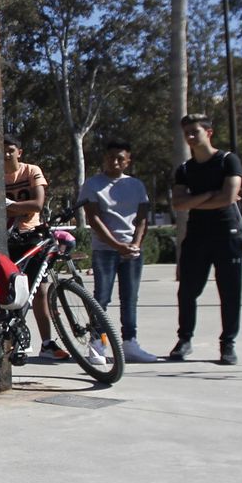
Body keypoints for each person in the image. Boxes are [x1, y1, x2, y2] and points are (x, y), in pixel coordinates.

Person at [170, 114, 242, 365]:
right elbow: (178, 203)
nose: (190, 137)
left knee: (230, 292)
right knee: (187, 291)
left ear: (208, 132)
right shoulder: (185, 169)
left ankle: (228, 344)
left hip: (227, 235)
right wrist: (212, 194)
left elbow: (229, 197)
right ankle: (184, 340)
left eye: (195, 132)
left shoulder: (227, 160)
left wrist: (198, 199)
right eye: (187, 133)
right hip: (196, 236)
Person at [78, 140, 159, 364]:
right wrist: (116, 245)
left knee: (130, 298)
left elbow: (142, 217)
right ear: (104, 159)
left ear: (128, 161)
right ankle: (97, 344)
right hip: (105, 250)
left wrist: (135, 243)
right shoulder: (93, 185)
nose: (114, 162)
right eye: (110, 157)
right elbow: (93, 218)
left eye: (120, 158)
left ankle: (130, 343)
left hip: (131, 251)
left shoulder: (136, 185)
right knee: (101, 298)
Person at [4, 134, 64, 359]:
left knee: (39, 291)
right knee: (12, 293)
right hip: (8, 239)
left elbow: (37, 204)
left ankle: (47, 343)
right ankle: (14, 341)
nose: (7, 154)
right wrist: (20, 207)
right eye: (3, 151)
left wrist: (10, 205)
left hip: (32, 235)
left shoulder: (31, 171)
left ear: (20, 152)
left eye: (11, 149)